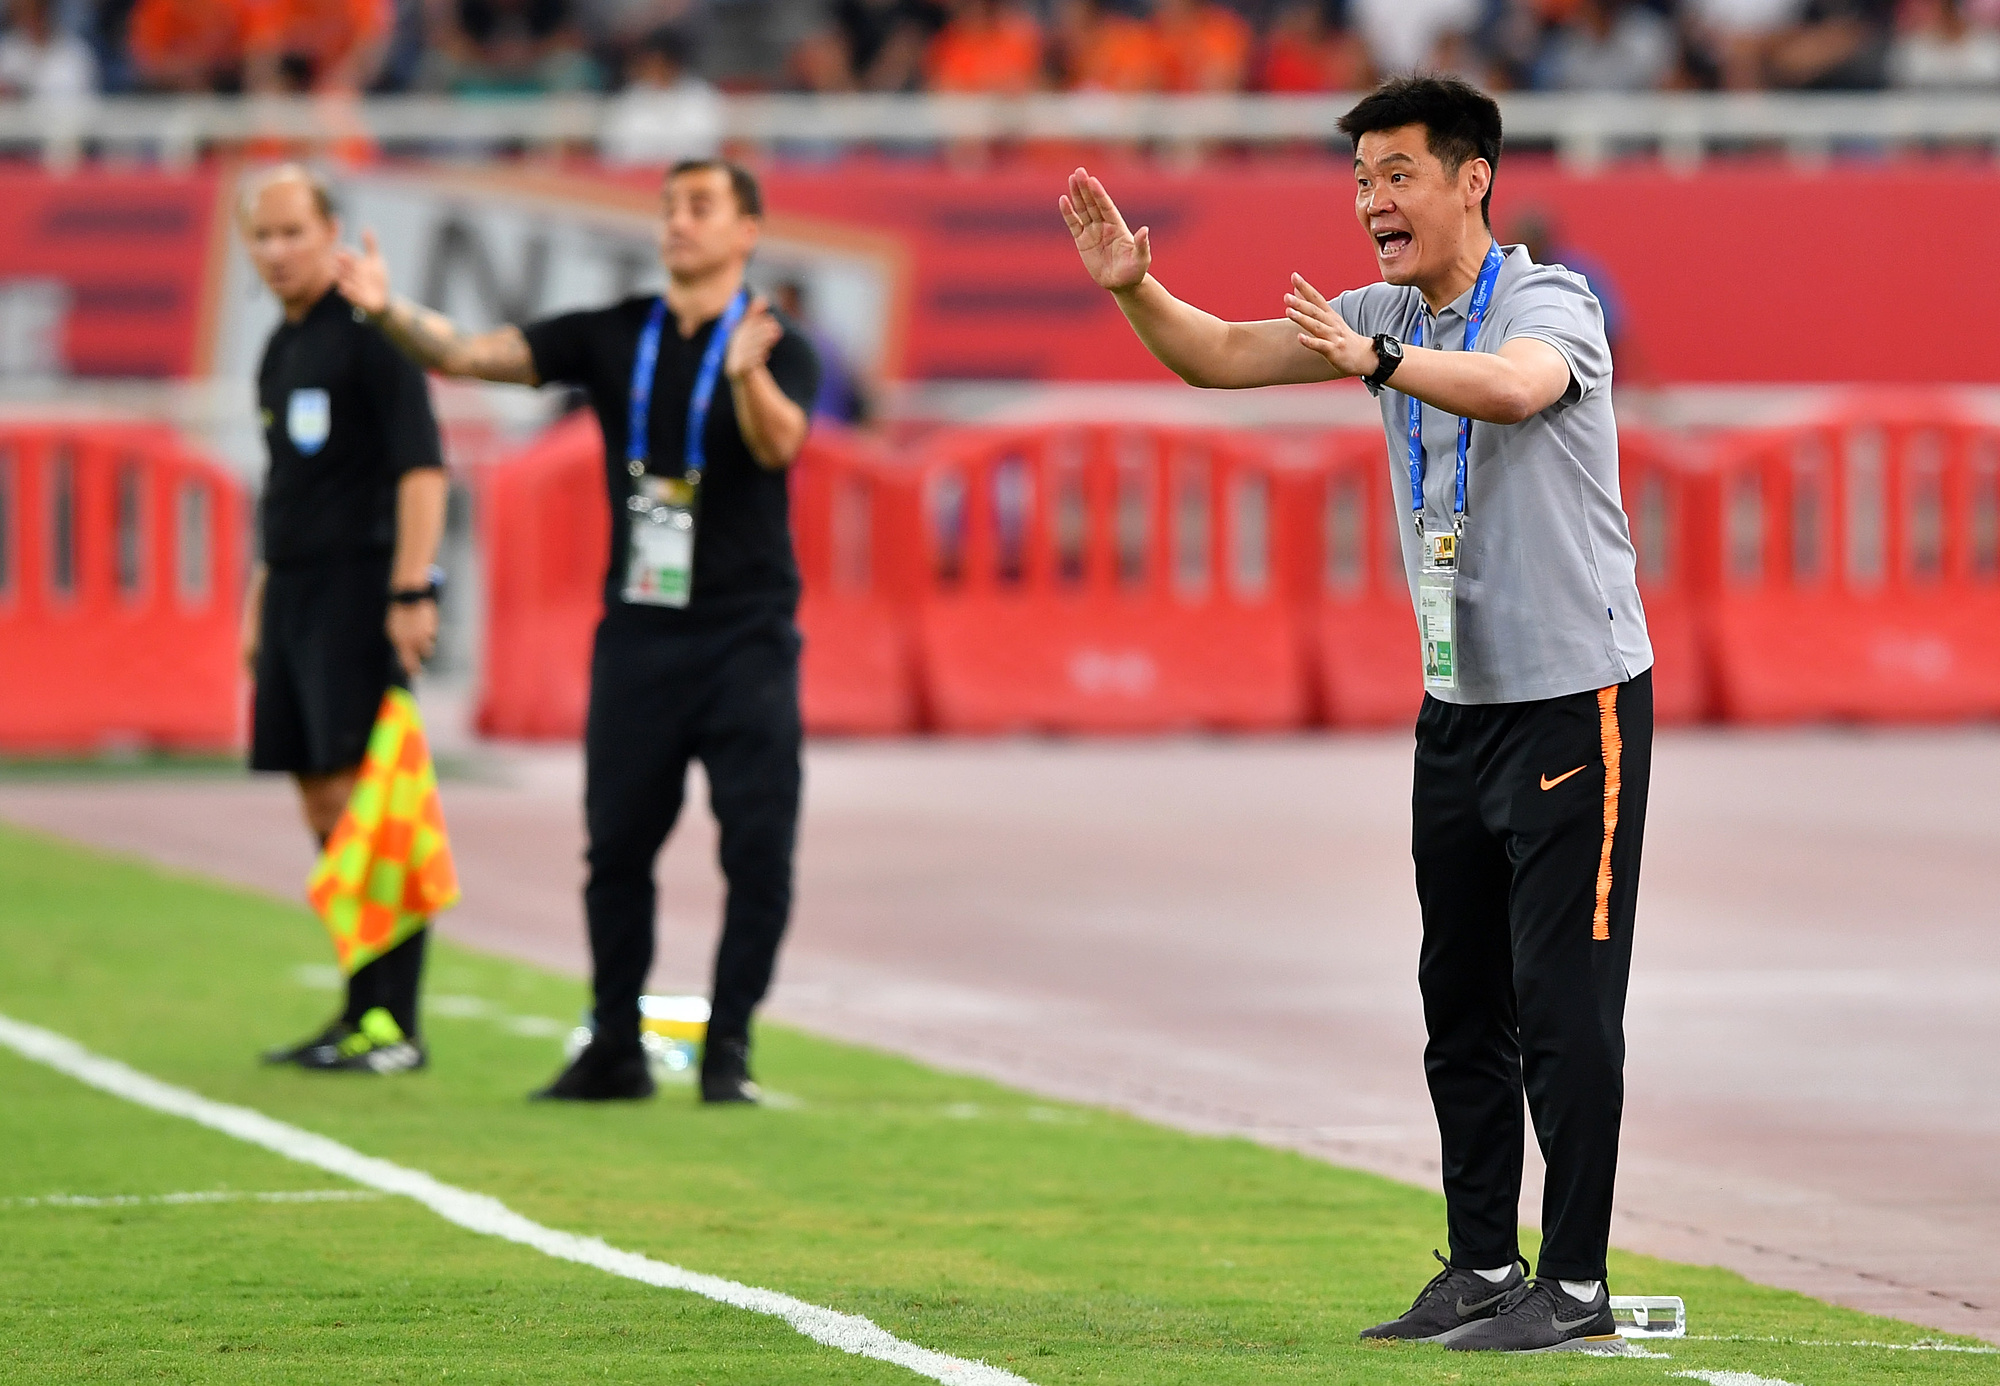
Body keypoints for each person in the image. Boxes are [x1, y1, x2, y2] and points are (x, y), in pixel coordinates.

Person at [1060, 74, 1652, 1354]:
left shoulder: (1552, 303)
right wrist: (1129, 288)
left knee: (1562, 1002)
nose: (1371, 201)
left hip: (1574, 701)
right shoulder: (1378, 312)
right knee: (1458, 999)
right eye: (1360, 180)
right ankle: (1485, 1265)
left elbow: (1512, 387)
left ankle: (1582, 1283)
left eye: (1395, 174)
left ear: (1470, 180)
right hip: (1458, 705)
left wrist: (1377, 358)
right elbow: (1215, 356)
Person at [334, 159, 821, 1105]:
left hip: (747, 634)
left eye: (702, 207)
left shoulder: (771, 340)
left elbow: (781, 445)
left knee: (757, 849)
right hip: (640, 634)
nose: (679, 223)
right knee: (616, 847)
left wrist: (747, 380)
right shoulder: (615, 332)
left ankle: (729, 1052)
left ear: (747, 230)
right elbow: (471, 355)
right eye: (671, 207)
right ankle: (615, 1046)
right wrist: (390, 309)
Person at [242, 165, 449, 1075]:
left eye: (294, 231)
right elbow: (286, 488)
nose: (278, 251)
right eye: (263, 235)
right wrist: (259, 602)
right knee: (322, 802)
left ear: (332, 230)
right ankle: (359, 1005)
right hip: (292, 595)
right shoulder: (280, 348)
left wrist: (411, 591)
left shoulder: (374, 335)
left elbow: (423, 470)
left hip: (359, 591)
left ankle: (393, 1023)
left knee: (375, 805)